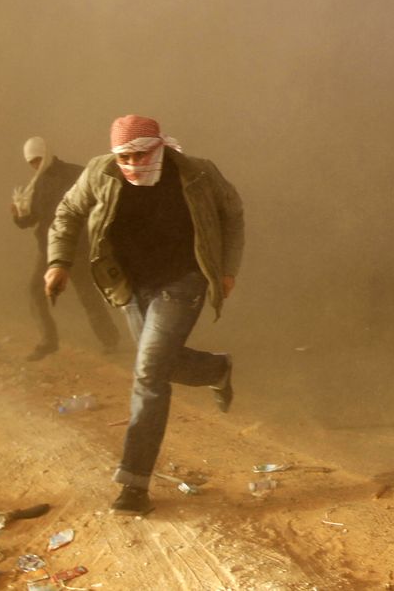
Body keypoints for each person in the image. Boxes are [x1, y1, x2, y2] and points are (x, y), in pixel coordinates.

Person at [45, 115, 244, 515]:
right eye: (125, 157)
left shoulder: (197, 174)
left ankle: (134, 485)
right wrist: (59, 262)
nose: (133, 165)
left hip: (184, 280)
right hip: (130, 286)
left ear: (160, 147)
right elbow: (68, 212)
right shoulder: (100, 172)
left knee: (149, 373)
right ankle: (214, 370)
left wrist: (226, 270)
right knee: (159, 365)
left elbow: (232, 213)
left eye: (141, 155)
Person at [11, 136, 120, 360]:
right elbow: (31, 220)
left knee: (86, 293)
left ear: (47, 154)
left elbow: (97, 203)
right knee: (36, 291)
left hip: (76, 247)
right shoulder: (37, 184)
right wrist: (18, 214)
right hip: (49, 248)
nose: (35, 165)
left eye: (38, 159)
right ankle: (49, 340)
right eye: (31, 162)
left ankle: (110, 340)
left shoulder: (75, 174)